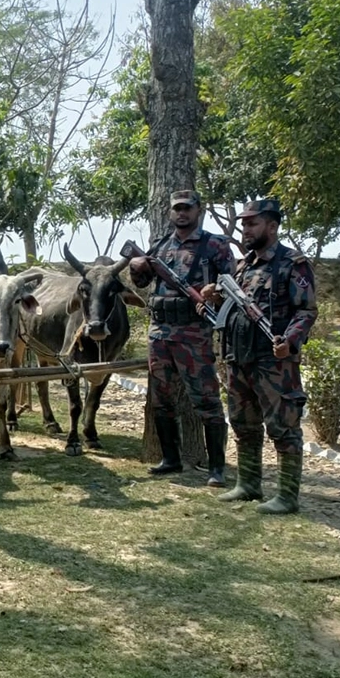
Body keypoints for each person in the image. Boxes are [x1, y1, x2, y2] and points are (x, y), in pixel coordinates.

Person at [204, 199, 317, 514]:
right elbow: (232, 303)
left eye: (252, 223)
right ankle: (249, 484)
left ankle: (287, 497)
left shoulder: (291, 263)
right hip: (239, 357)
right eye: (243, 224)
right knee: (243, 423)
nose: (245, 229)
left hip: (274, 362)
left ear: (272, 225)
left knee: (283, 426)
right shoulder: (243, 266)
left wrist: (290, 341)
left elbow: (306, 310)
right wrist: (215, 294)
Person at [127, 189, 235, 485]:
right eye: (177, 208)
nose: (181, 213)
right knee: (160, 398)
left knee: (207, 399)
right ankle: (170, 459)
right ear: (170, 212)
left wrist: (213, 292)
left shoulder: (215, 246)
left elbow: (233, 287)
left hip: (194, 334)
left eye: (187, 208)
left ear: (199, 210)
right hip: (160, 333)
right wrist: (135, 270)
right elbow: (143, 282)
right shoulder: (159, 246)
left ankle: (216, 468)